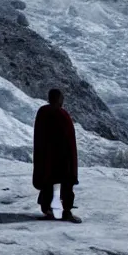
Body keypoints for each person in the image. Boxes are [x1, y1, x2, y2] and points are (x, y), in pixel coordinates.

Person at [33, 88, 81, 223]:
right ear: (58, 99)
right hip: (63, 157)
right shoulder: (61, 114)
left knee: (48, 181)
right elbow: (67, 138)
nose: (62, 100)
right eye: (61, 98)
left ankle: (47, 208)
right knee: (66, 183)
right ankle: (66, 211)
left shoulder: (43, 112)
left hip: (47, 157)